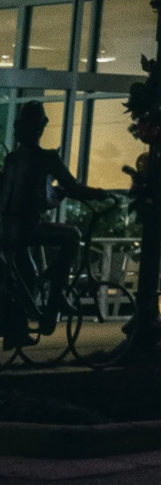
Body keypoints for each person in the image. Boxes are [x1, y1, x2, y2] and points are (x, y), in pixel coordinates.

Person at [0, 100, 104, 332]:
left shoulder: (11, 160)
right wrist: (100, 194)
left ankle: (19, 326)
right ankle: (57, 291)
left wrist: (53, 197)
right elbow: (74, 187)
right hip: (26, 227)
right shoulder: (47, 158)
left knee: (27, 276)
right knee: (71, 235)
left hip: (7, 229)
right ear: (41, 128)